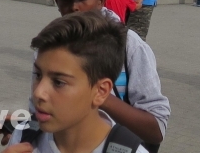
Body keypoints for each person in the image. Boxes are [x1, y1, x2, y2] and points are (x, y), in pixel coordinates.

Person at [21, 0, 169, 149]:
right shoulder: (49, 46)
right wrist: (22, 131)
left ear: (100, 0)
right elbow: (38, 110)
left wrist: (95, 95)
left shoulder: (129, 45)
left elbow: (156, 129)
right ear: (57, 2)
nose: (74, 6)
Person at [10, 12, 150, 153]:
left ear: (101, 91)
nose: (38, 92)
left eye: (58, 82)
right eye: (38, 75)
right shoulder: (24, 135)